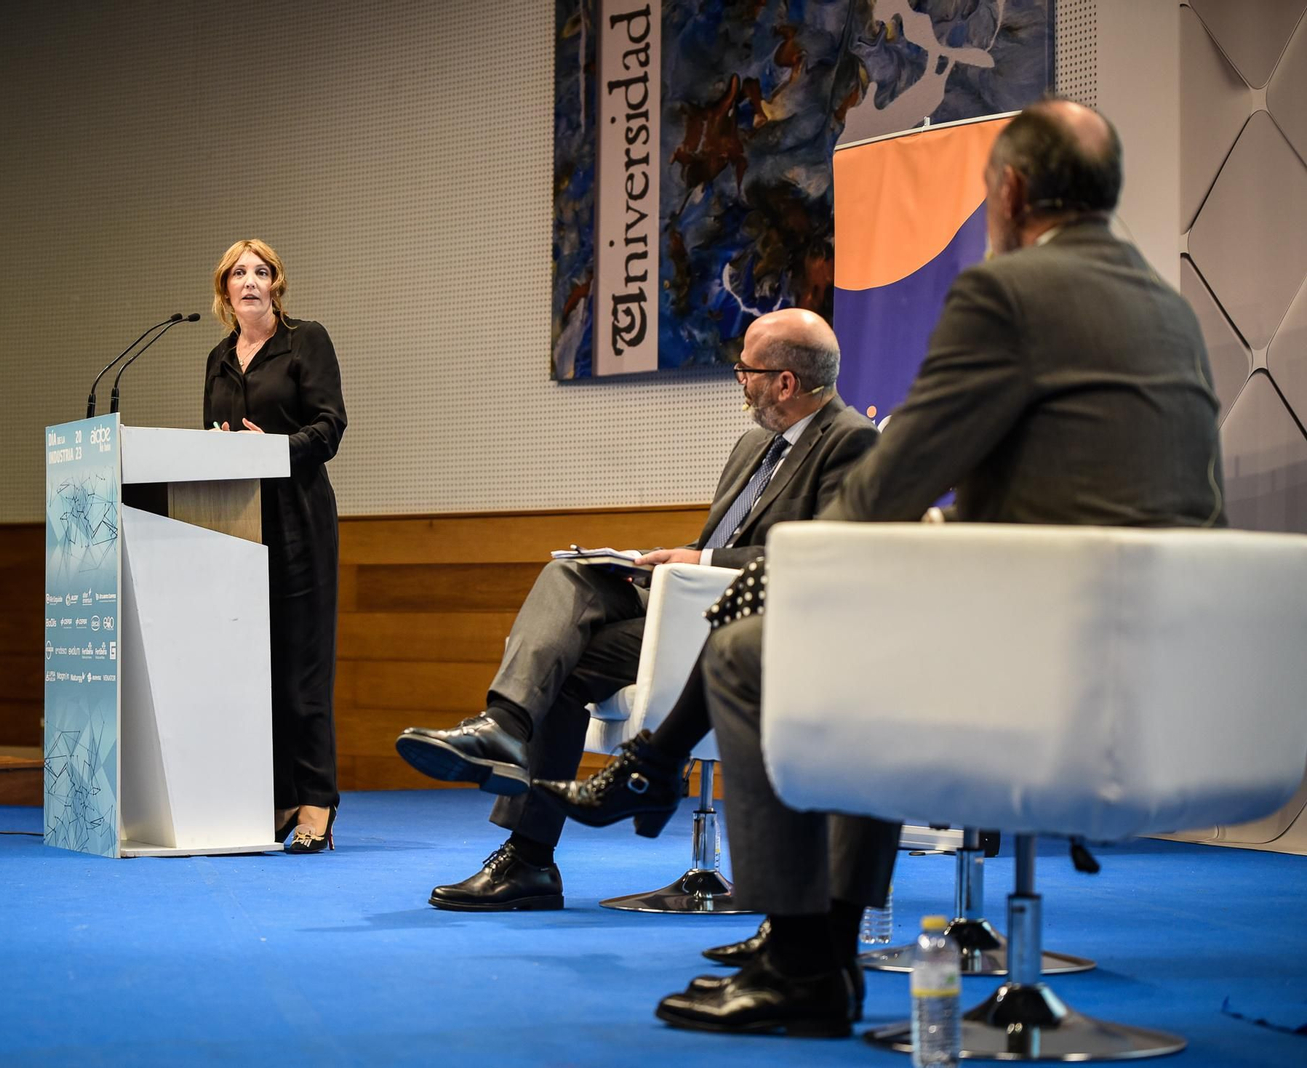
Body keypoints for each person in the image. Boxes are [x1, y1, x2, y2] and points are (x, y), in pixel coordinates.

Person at [653, 99, 1227, 1036]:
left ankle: (804, 959)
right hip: (1171, 670)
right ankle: (822, 951)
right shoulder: (1170, 310)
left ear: (1006, 191)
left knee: (749, 655)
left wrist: (797, 551)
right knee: (868, 659)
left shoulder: (1007, 295)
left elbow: (885, 488)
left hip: (1046, 668)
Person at [393, 308, 879, 909]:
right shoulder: (756, 441)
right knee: (570, 573)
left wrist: (695, 563)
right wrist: (665, 562)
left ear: (784, 382)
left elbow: (824, 557)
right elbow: (725, 539)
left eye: (746, 371)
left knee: (566, 663)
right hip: (686, 600)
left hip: (753, 626)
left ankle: (527, 850)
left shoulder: (851, 440)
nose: (740, 383)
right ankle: (507, 739)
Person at [204, 238, 347, 855]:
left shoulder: (305, 340)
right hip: (237, 522)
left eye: (261, 272)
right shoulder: (217, 356)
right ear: (225, 290)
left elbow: (330, 426)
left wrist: (273, 449)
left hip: (297, 517)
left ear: (276, 285)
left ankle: (317, 802)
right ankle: (280, 796)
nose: (251, 282)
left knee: (301, 672)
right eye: (239, 274)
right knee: (255, 668)